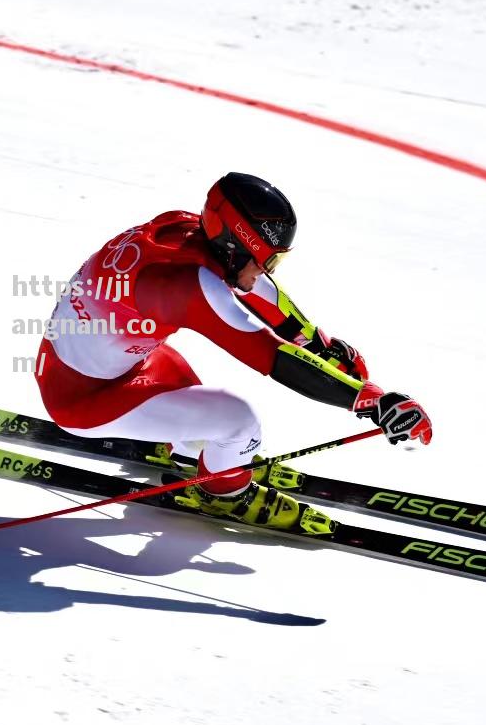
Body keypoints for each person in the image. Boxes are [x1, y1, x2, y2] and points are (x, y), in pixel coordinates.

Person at [33, 172, 432, 534]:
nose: (269, 270)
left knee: (209, 418)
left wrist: (316, 342)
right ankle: (224, 493)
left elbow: (260, 292)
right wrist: (368, 401)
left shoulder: (186, 228)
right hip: (84, 400)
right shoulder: (185, 286)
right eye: (268, 260)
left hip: (113, 365)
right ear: (235, 246)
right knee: (240, 423)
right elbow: (270, 355)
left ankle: (194, 461)